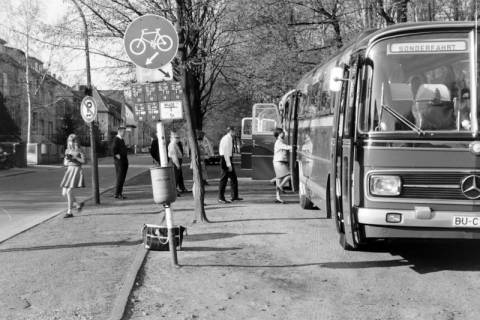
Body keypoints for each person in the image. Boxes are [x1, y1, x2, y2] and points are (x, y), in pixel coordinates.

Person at [60, 134, 86, 218]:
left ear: (76, 141)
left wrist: (75, 158)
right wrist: (67, 160)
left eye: (73, 141)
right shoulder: (67, 150)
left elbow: (84, 161)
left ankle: (69, 212)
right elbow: (65, 163)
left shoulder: (79, 150)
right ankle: (78, 204)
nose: (71, 143)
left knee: (68, 192)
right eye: (70, 141)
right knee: (64, 193)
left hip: (76, 170)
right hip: (69, 170)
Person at [218, 126, 242, 203]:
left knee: (234, 179)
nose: (236, 132)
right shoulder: (226, 139)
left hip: (228, 159)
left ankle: (234, 196)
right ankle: (221, 198)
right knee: (223, 179)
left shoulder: (230, 138)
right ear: (231, 131)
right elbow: (225, 153)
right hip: (225, 159)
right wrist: (229, 165)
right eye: (235, 131)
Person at [273, 128, 292, 204]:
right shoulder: (278, 142)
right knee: (289, 175)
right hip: (279, 162)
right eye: (282, 133)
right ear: (279, 134)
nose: (284, 134)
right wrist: (294, 147)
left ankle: (278, 197)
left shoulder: (280, 141)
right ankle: (281, 186)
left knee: (278, 179)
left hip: (279, 162)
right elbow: (286, 147)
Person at [112, 126, 129, 199]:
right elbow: (113, 149)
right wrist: (118, 156)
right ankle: (117, 193)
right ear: (120, 131)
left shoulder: (121, 139)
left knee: (122, 178)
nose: (124, 133)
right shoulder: (116, 139)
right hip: (120, 162)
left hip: (124, 161)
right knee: (120, 177)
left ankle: (119, 193)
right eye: (124, 132)